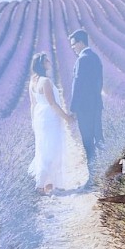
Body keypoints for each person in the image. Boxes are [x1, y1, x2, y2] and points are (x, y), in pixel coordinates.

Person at [28, 52, 88, 195]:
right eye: (47, 60)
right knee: (52, 150)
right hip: (49, 117)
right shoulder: (45, 81)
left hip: (39, 117)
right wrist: (67, 117)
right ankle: (42, 185)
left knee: (44, 148)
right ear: (42, 64)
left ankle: (48, 184)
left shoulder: (33, 81)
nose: (49, 61)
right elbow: (52, 103)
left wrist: (33, 122)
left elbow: (32, 104)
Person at [68, 29, 104, 178]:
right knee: (98, 139)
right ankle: (104, 174)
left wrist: (73, 109)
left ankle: (93, 177)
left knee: (88, 141)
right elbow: (99, 83)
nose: (72, 47)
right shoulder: (95, 57)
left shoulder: (82, 59)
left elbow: (78, 85)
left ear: (81, 42)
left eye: (74, 44)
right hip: (96, 105)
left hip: (85, 108)